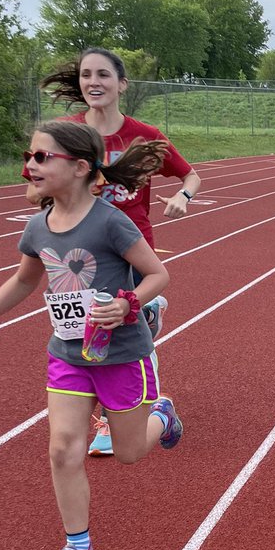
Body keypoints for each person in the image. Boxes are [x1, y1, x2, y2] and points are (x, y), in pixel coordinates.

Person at [0, 121, 184, 550]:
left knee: (129, 454)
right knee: (62, 448)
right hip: (68, 354)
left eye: (43, 157)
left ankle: (163, 416)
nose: (31, 165)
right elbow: (26, 280)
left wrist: (128, 304)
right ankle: (77, 544)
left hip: (121, 354)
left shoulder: (110, 221)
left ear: (80, 167)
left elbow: (157, 274)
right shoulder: (37, 226)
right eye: (29, 156)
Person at [36, 48, 201, 454]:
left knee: (114, 331)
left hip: (132, 248)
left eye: (104, 75)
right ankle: (138, 405)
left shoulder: (142, 134)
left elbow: (190, 174)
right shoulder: (65, 133)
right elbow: (33, 186)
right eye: (87, 74)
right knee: (86, 330)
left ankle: (120, 415)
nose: (94, 82)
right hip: (81, 254)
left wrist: (183, 195)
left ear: (121, 84)